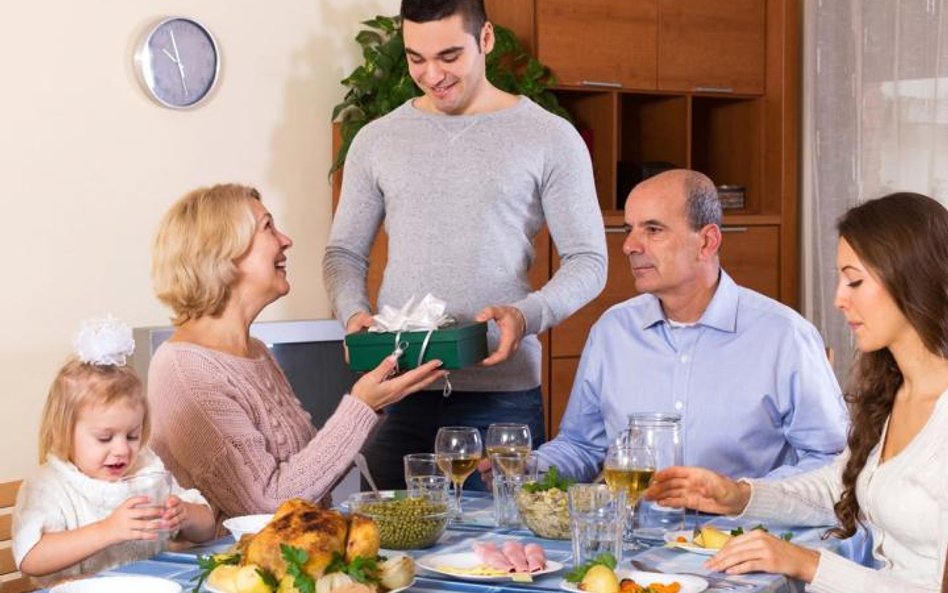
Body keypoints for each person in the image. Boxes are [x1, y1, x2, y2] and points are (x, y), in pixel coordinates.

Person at [323, 0, 607, 489]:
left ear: (487, 39)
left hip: (501, 396)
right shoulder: (376, 140)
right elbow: (343, 253)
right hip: (397, 388)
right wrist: (353, 316)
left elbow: (589, 260)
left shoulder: (549, 137)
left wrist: (526, 315)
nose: (432, 74)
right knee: (390, 554)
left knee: (499, 554)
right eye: (416, 59)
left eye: (449, 56)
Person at [648, 192, 948, 592]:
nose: (839, 299)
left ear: (912, 278)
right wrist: (739, 495)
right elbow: (838, 486)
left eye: (855, 280)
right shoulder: (895, 392)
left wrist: (808, 563)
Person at [148, 184, 446, 520]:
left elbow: (308, 471)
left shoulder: (254, 352)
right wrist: (362, 405)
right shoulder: (186, 369)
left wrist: (376, 401)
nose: (285, 240)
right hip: (234, 568)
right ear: (222, 251)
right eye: (268, 227)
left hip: (296, 556)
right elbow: (264, 507)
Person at [530, 169, 848, 482]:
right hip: (635, 530)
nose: (629, 245)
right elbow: (582, 445)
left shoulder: (784, 336)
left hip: (737, 531)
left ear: (707, 242)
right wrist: (527, 467)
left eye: (653, 230)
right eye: (629, 229)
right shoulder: (612, 331)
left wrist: (740, 495)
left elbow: (830, 460)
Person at [12, 317, 215, 586]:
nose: (122, 450)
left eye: (133, 435)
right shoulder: (50, 485)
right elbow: (31, 558)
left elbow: (207, 530)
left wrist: (187, 515)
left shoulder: (146, 470)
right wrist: (108, 530)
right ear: (64, 431)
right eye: (104, 438)